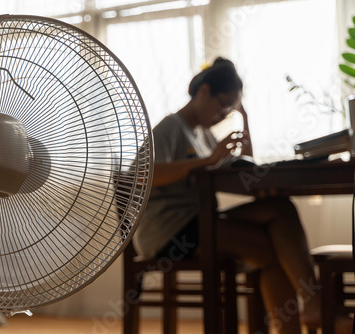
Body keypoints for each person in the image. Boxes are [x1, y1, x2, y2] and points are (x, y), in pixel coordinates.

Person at [132, 57, 352, 334]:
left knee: (280, 208)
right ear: (204, 92)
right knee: (275, 250)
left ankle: (312, 307)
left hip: (201, 221)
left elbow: (247, 166)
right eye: (224, 105)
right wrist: (205, 161)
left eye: (231, 110)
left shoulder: (204, 135)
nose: (225, 114)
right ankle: (310, 310)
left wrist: (244, 118)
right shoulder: (170, 128)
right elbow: (141, 176)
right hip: (170, 230)